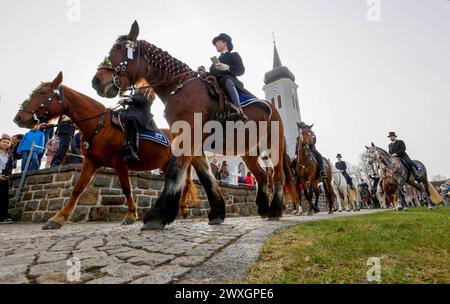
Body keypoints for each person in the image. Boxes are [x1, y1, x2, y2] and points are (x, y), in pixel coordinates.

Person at [209, 33, 251, 122]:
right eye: (215, 43)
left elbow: (241, 70)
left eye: (218, 42)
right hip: (217, 83)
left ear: (225, 43)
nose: (216, 44)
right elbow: (210, 74)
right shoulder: (214, 63)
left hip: (230, 81)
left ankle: (238, 110)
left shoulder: (234, 55)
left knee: (225, 80)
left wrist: (227, 67)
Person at [119, 91, 156, 163]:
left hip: (142, 114)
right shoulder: (135, 89)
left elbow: (143, 100)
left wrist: (126, 100)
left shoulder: (150, 89)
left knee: (131, 120)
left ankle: (133, 152)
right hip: (130, 111)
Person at [0, 134, 13, 223]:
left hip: (3, 178)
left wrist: (7, 175)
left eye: (8, 142)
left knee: (3, 198)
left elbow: (10, 166)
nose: (5, 143)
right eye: (4, 141)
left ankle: (4, 217)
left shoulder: (9, 155)